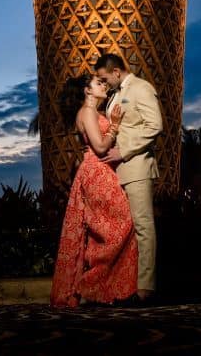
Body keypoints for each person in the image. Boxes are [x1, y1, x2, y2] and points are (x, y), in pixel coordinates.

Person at [50, 74, 138, 307]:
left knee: (108, 228)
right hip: (96, 171)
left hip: (100, 171)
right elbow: (100, 147)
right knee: (123, 224)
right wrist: (116, 127)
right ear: (87, 91)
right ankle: (91, 283)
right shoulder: (87, 112)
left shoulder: (93, 113)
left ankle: (104, 288)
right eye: (98, 83)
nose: (103, 85)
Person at [94, 53, 161, 301]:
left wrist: (125, 150)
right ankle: (126, 285)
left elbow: (155, 126)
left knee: (143, 227)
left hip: (137, 168)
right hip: (118, 172)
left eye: (104, 78)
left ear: (116, 72)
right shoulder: (115, 94)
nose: (103, 83)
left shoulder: (142, 88)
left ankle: (145, 289)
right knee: (127, 231)